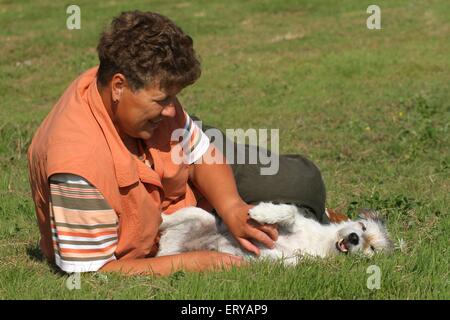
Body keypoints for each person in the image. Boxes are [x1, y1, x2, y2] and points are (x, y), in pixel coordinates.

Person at [27, 11, 328, 277]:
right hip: (163, 217)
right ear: (118, 87)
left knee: (303, 182)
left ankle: (304, 212)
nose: (172, 109)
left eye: (174, 98)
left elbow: (201, 154)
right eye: (162, 100)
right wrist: (195, 262)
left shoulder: (151, 104)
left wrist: (233, 207)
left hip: (176, 170)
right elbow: (95, 271)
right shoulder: (76, 168)